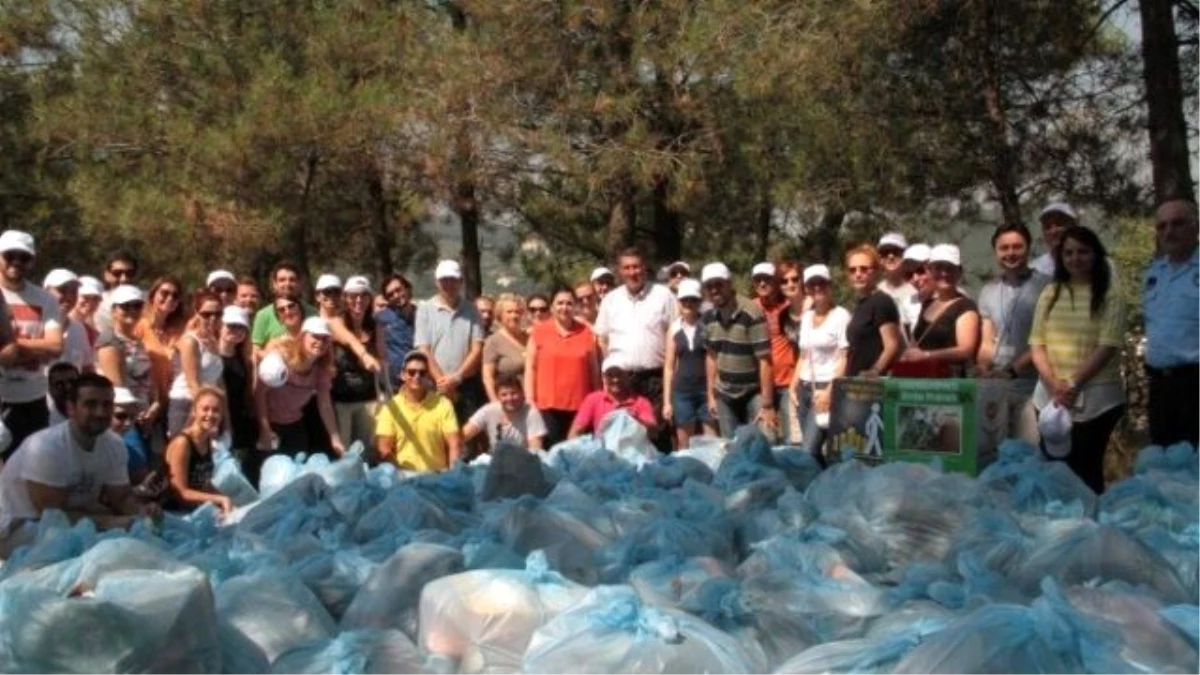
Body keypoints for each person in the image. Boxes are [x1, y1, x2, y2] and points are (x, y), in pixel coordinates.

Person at [0, 373, 161, 555]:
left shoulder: (114, 445)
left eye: (107, 405)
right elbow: (52, 516)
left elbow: (121, 498)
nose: (100, 413)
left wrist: (142, 511)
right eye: (91, 404)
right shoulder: (46, 447)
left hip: (78, 522)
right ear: (71, 408)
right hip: (20, 527)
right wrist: (110, 521)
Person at [1029, 226, 1126, 493]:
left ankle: (1091, 527)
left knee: (1086, 471)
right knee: (1053, 469)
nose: (1075, 258)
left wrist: (1072, 383)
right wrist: (1054, 383)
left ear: (1095, 254)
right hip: (1050, 396)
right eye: (1068, 252)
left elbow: (1107, 346)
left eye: (1082, 251)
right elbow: (1037, 343)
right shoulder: (1051, 293)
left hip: (1097, 399)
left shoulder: (1110, 295)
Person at [594, 248, 677, 450]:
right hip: (621, 382)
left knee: (657, 436)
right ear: (620, 272)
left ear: (645, 268)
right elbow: (602, 339)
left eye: (636, 266)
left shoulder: (663, 295)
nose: (633, 272)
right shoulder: (610, 300)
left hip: (655, 379)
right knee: (623, 439)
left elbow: (675, 334)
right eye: (627, 268)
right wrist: (609, 373)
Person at [977, 224, 1048, 445]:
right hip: (996, 387)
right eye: (1004, 248)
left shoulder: (1047, 286)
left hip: (1033, 387)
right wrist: (982, 367)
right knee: (993, 454)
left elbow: (1046, 339)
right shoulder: (988, 291)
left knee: (1029, 454)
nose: (1010, 253)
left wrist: (1012, 370)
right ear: (996, 252)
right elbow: (987, 341)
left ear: (1028, 248)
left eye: (1017, 247)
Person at [0, 230, 64, 456]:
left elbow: (55, 347)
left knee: (29, 470)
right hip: (2, 398)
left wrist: (15, 347)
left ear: (32, 261)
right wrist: (37, 347)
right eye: (10, 255)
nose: (16, 262)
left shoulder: (45, 299)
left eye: (24, 257)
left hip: (33, 399)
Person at [1142, 199, 1200, 447]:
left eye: (1177, 224)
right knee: (1164, 467)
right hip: (1160, 388)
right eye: (1162, 226)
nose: (1169, 231)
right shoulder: (1154, 272)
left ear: (1195, 227)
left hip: (1195, 384)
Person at [700, 262, 776, 438]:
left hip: (752, 391)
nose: (714, 290)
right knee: (731, 447)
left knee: (766, 440)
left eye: (718, 284)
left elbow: (765, 360)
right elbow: (711, 357)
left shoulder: (751, 312)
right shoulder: (708, 318)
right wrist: (711, 395)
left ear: (729, 283)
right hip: (724, 394)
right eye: (709, 286)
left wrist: (767, 405)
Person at [257, 317, 346, 456]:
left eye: (325, 338)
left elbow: (325, 405)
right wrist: (265, 429)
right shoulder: (281, 359)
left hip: (295, 425)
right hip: (271, 425)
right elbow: (260, 394)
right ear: (303, 336)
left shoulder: (321, 369)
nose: (320, 342)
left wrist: (335, 438)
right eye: (315, 336)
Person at [790, 265, 850, 460]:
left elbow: (845, 358)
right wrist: (793, 385)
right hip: (804, 388)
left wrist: (830, 391)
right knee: (811, 451)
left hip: (826, 388)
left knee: (809, 449)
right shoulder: (807, 317)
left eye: (821, 283)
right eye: (812, 284)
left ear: (830, 285)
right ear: (806, 288)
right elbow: (804, 355)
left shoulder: (841, 316)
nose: (817, 288)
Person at [414, 260, 485, 426]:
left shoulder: (472, 310)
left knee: (465, 438)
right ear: (436, 282)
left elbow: (476, 348)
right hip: (433, 384)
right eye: (444, 280)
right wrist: (442, 382)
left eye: (453, 280)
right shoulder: (425, 309)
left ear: (461, 282)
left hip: (465, 385)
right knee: (434, 436)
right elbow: (424, 349)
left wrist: (457, 377)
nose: (448, 284)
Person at [526, 288, 600, 447]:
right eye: (559, 303)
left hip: (581, 407)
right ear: (552, 307)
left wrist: (596, 401)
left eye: (569, 303)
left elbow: (594, 371)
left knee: (577, 456)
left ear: (575, 307)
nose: (564, 308)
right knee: (552, 456)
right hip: (547, 406)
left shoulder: (586, 332)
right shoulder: (539, 332)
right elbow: (531, 369)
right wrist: (530, 400)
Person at [896, 244, 981, 378]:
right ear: (930, 271)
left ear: (959, 272)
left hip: (949, 384)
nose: (944, 273)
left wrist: (926, 356)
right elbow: (915, 343)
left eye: (950, 268)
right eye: (938, 268)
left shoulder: (965, 306)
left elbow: (966, 350)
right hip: (921, 381)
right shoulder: (927, 304)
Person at [375, 351, 462, 471]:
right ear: (403, 375)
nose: (417, 376)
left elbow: (454, 444)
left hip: (436, 477)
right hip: (404, 477)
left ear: (428, 376)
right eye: (411, 372)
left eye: (422, 373)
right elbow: (384, 449)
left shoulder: (443, 404)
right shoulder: (391, 408)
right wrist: (400, 474)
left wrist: (453, 474)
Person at [95, 286, 160, 436]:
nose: (132, 310)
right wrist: (137, 415)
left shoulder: (138, 341)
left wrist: (155, 406)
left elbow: (148, 380)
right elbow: (118, 388)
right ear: (113, 311)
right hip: (124, 419)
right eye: (125, 306)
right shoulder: (109, 341)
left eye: (137, 306)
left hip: (143, 415)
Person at [662, 278, 716, 448]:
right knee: (684, 445)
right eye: (684, 300)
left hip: (706, 391)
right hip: (682, 392)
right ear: (678, 302)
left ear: (699, 302)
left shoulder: (707, 325)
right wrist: (667, 402)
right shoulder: (674, 328)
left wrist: (713, 394)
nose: (688, 304)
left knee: (712, 442)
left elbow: (714, 359)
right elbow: (669, 367)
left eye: (693, 300)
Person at [332, 275, 381, 450]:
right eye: (353, 296)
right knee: (344, 451)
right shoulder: (336, 321)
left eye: (363, 295)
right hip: (341, 399)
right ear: (345, 298)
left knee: (366, 450)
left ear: (369, 298)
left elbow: (383, 358)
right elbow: (349, 339)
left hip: (368, 398)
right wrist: (365, 356)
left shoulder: (375, 325)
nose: (358, 300)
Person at [164, 388, 232, 514]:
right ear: (195, 411)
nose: (210, 414)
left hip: (195, 511)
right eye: (205, 409)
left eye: (216, 410)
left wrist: (228, 503)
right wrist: (220, 499)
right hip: (174, 512)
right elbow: (180, 492)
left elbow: (204, 485)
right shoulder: (183, 443)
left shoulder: (207, 441)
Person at [167, 291, 225, 437]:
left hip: (208, 407)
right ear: (196, 313)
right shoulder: (190, 341)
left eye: (218, 314)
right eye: (207, 314)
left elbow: (217, 382)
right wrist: (204, 416)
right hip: (186, 405)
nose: (212, 318)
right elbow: (193, 382)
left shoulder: (214, 341)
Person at [136, 276, 188, 438]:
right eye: (164, 293)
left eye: (175, 295)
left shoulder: (178, 330)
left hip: (172, 404)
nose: (169, 298)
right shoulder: (139, 327)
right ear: (152, 296)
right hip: (146, 405)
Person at [751, 261, 797, 441]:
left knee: (791, 438)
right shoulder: (751, 308)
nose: (762, 284)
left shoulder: (788, 306)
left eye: (767, 279)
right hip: (760, 386)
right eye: (758, 280)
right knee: (766, 438)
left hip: (788, 382)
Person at [844, 245, 903, 377]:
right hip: (855, 382)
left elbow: (892, 345)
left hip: (872, 385)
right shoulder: (861, 303)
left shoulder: (882, 302)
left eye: (864, 269)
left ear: (876, 271)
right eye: (852, 270)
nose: (858, 274)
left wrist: (875, 371)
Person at [217, 306, 259, 483]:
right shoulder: (211, 355)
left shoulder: (244, 357)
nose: (235, 330)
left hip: (240, 419)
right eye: (231, 325)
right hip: (217, 418)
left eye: (240, 327)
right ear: (221, 325)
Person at [569, 356, 658, 438]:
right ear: (603, 377)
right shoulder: (593, 399)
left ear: (627, 376)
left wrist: (635, 420)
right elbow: (576, 432)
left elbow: (653, 433)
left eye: (619, 374)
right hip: (602, 451)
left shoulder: (641, 402)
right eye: (610, 375)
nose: (615, 379)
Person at [463, 374, 547, 451]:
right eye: (504, 395)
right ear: (498, 397)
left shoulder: (531, 413)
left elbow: (535, 450)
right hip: (495, 461)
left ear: (522, 394)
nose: (509, 398)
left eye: (513, 393)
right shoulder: (488, 410)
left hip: (522, 461)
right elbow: (463, 435)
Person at [252, 262, 315, 352]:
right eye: (282, 280)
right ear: (274, 284)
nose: (287, 284)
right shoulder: (263, 315)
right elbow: (256, 351)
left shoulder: (313, 313)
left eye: (292, 280)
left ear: (300, 283)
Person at [43, 268, 94, 373]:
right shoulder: (34, 324)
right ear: (45, 291)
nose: (69, 297)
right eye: (62, 290)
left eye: (73, 291)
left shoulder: (78, 328)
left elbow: (86, 368)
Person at [482, 294, 528, 402]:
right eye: (509, 312)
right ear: (500, 315)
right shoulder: (493, 341)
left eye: (517, 312)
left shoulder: (530, 339)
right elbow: (488, 377)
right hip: (509, 401)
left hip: (533, 400)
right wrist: (495, 403)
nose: (514, 315)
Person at [376, 273, 417, 388]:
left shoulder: (422, 314)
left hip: (420, 377)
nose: (396, 295)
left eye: (398, 290)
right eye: (390, 294)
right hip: (394, 381)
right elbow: (381, 351)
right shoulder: (382, 318)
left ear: (407, 288)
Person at [95, 250, 138, 336]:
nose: (124, 279)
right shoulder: (98, 304)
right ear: (106, 275)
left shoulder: (146, 303)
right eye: (117, 273)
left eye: (130, 273)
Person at [1031, 202, 1077, 277]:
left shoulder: (1090, 265)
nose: (1053, 231)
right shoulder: (1036, 270)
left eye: (1059, 224)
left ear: (1073, 227)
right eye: (1048, 227)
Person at [877, 232, 918, 313]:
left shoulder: (916, 291)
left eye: (896, 252)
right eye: (885, 252)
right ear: (880, 259)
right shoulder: (875, 291)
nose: (890, 256)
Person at [898, 244, 932, 341]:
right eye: (909, 275)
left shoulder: (955, 297)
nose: (915, 279)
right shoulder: (907, 303)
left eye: (920, 271)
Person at [73, 276, 105, 346]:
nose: (90, 303)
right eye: (86, 297)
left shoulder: (94, 334)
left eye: (96, 299)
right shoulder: (62, 325)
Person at [46, 362, 80, 427]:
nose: (67, 387)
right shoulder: (44, 428)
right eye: (59, 385)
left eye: (72, 382)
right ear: (50, 390)